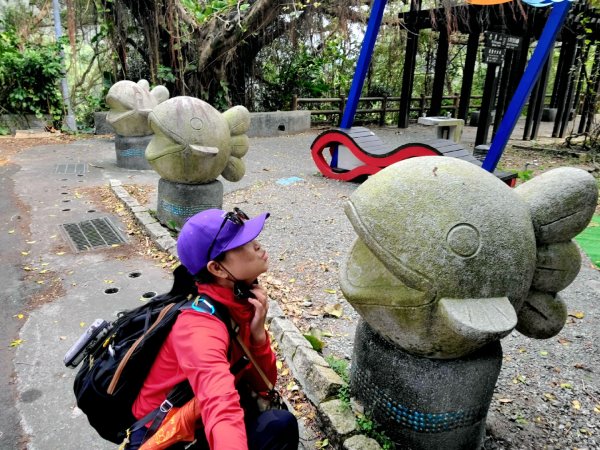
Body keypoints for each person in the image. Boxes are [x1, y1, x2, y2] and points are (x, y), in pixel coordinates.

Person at [127, 208, 299, 449]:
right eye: (244, 243)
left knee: (280, 424)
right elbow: (222, 408)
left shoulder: (237, 303)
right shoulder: (199, 329)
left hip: (197, 419)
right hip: (165, 436)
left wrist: (258, 336)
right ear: (217, 269)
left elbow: (264, 387)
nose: (258, 246)